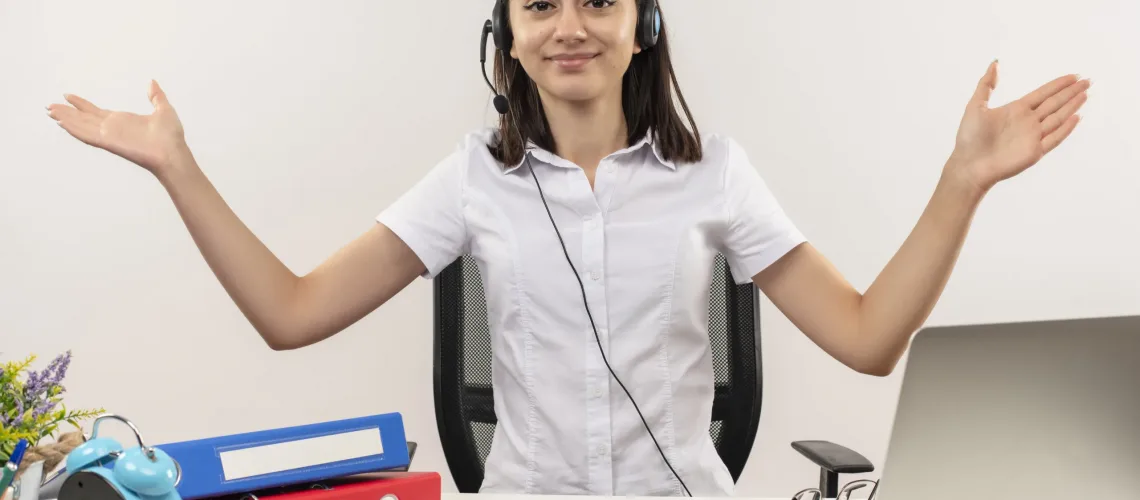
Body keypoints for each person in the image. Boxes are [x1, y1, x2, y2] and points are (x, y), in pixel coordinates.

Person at [45, 0, 1089, 497]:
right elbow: (290, 313)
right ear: (506, 37)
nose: (570, 25)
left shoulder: (714, 175)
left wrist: (961, 184)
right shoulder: (471, 180)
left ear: (647, 25)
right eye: (539, 5)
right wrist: (176, 166)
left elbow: (864, 335)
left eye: (598, 0)